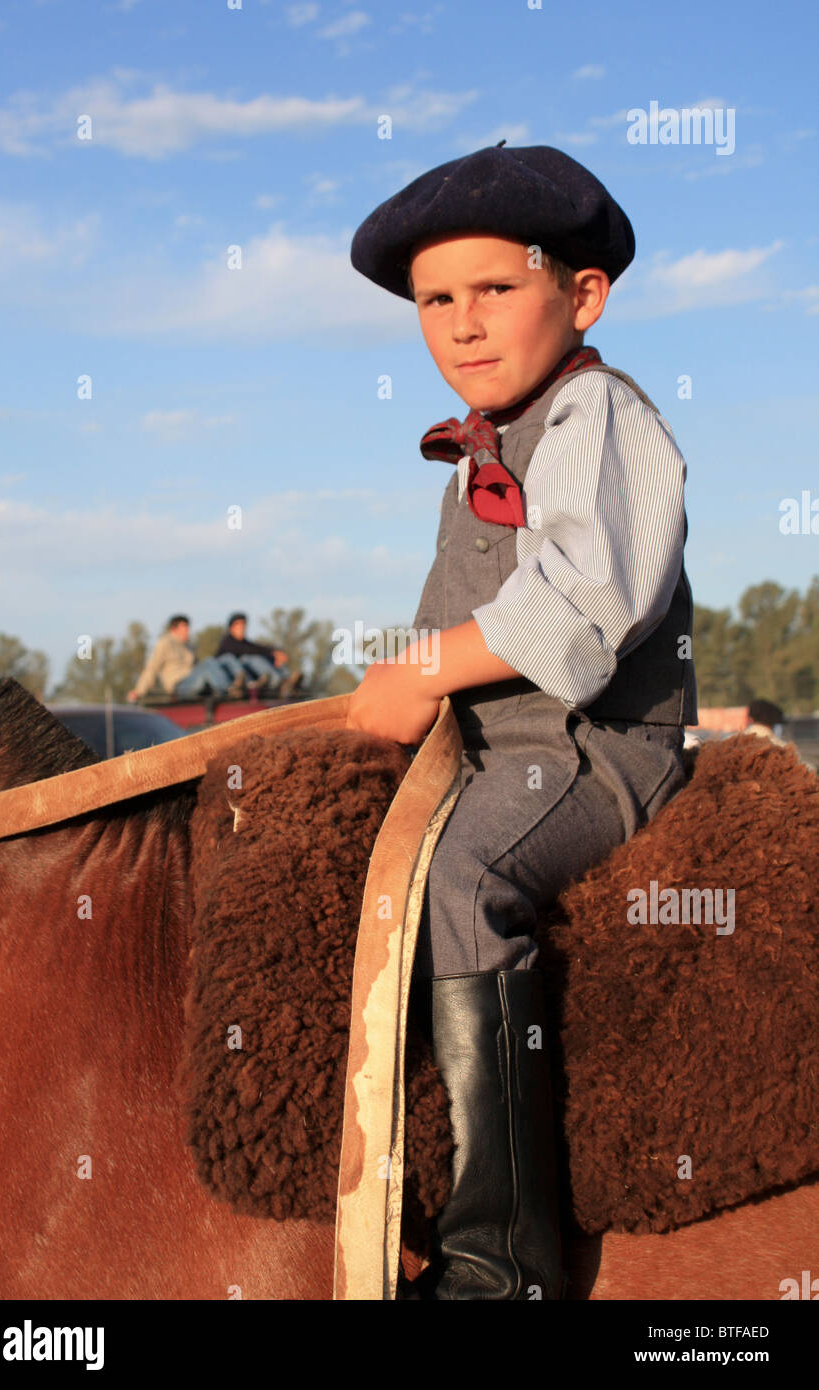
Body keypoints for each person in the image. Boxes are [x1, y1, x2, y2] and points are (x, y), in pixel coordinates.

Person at [347, 143, 697, 1300]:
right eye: (435, 301)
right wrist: (389, 681)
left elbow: (586, 601)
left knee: (458, 878)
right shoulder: (471, 456)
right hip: (497, 748)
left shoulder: (598, 412)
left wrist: (431, 666)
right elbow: (453, 614)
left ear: (581, 295)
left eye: (493, 289)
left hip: (596, 749)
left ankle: (503, 1261)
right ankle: (384, 1176)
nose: (461, 323)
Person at [127, 615, 243, 702]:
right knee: (208, 662)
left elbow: (197, 667)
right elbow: (152, 668)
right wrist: (139, 691)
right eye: (185, 628)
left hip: (194, 680)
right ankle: (228, 690)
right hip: (180, 686)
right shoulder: (165, 643)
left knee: (226, 658)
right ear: (174, 629)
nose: (188, 631)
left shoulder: (188, 646)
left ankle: (245, 682)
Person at [215, 613, 302, 696]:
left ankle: (288, 680)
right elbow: (246, 650)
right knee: (250, 658)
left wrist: (275, 653)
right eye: (238, 625)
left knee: (270, 660)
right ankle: (278, 681)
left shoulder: (245, 643)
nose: (242, 628)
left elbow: (258, 648)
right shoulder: (226, 642)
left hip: (251, 677)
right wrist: (272, 653)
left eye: (243, 625)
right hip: (232, 681)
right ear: (231, 628)